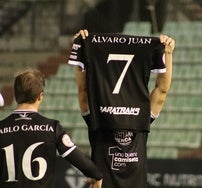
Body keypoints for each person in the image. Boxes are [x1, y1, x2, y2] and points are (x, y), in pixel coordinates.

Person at [69, 29, 175, 188]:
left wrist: (80, 53)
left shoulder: (97, 116)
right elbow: (162, 90)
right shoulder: (142, 117)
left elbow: (83, 90)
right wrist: (167, 53)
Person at [0, 69, 103, 188]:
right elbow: (77, 158)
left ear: (15, 95)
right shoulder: (51, 127)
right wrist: (97, 175)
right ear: (40, 96)